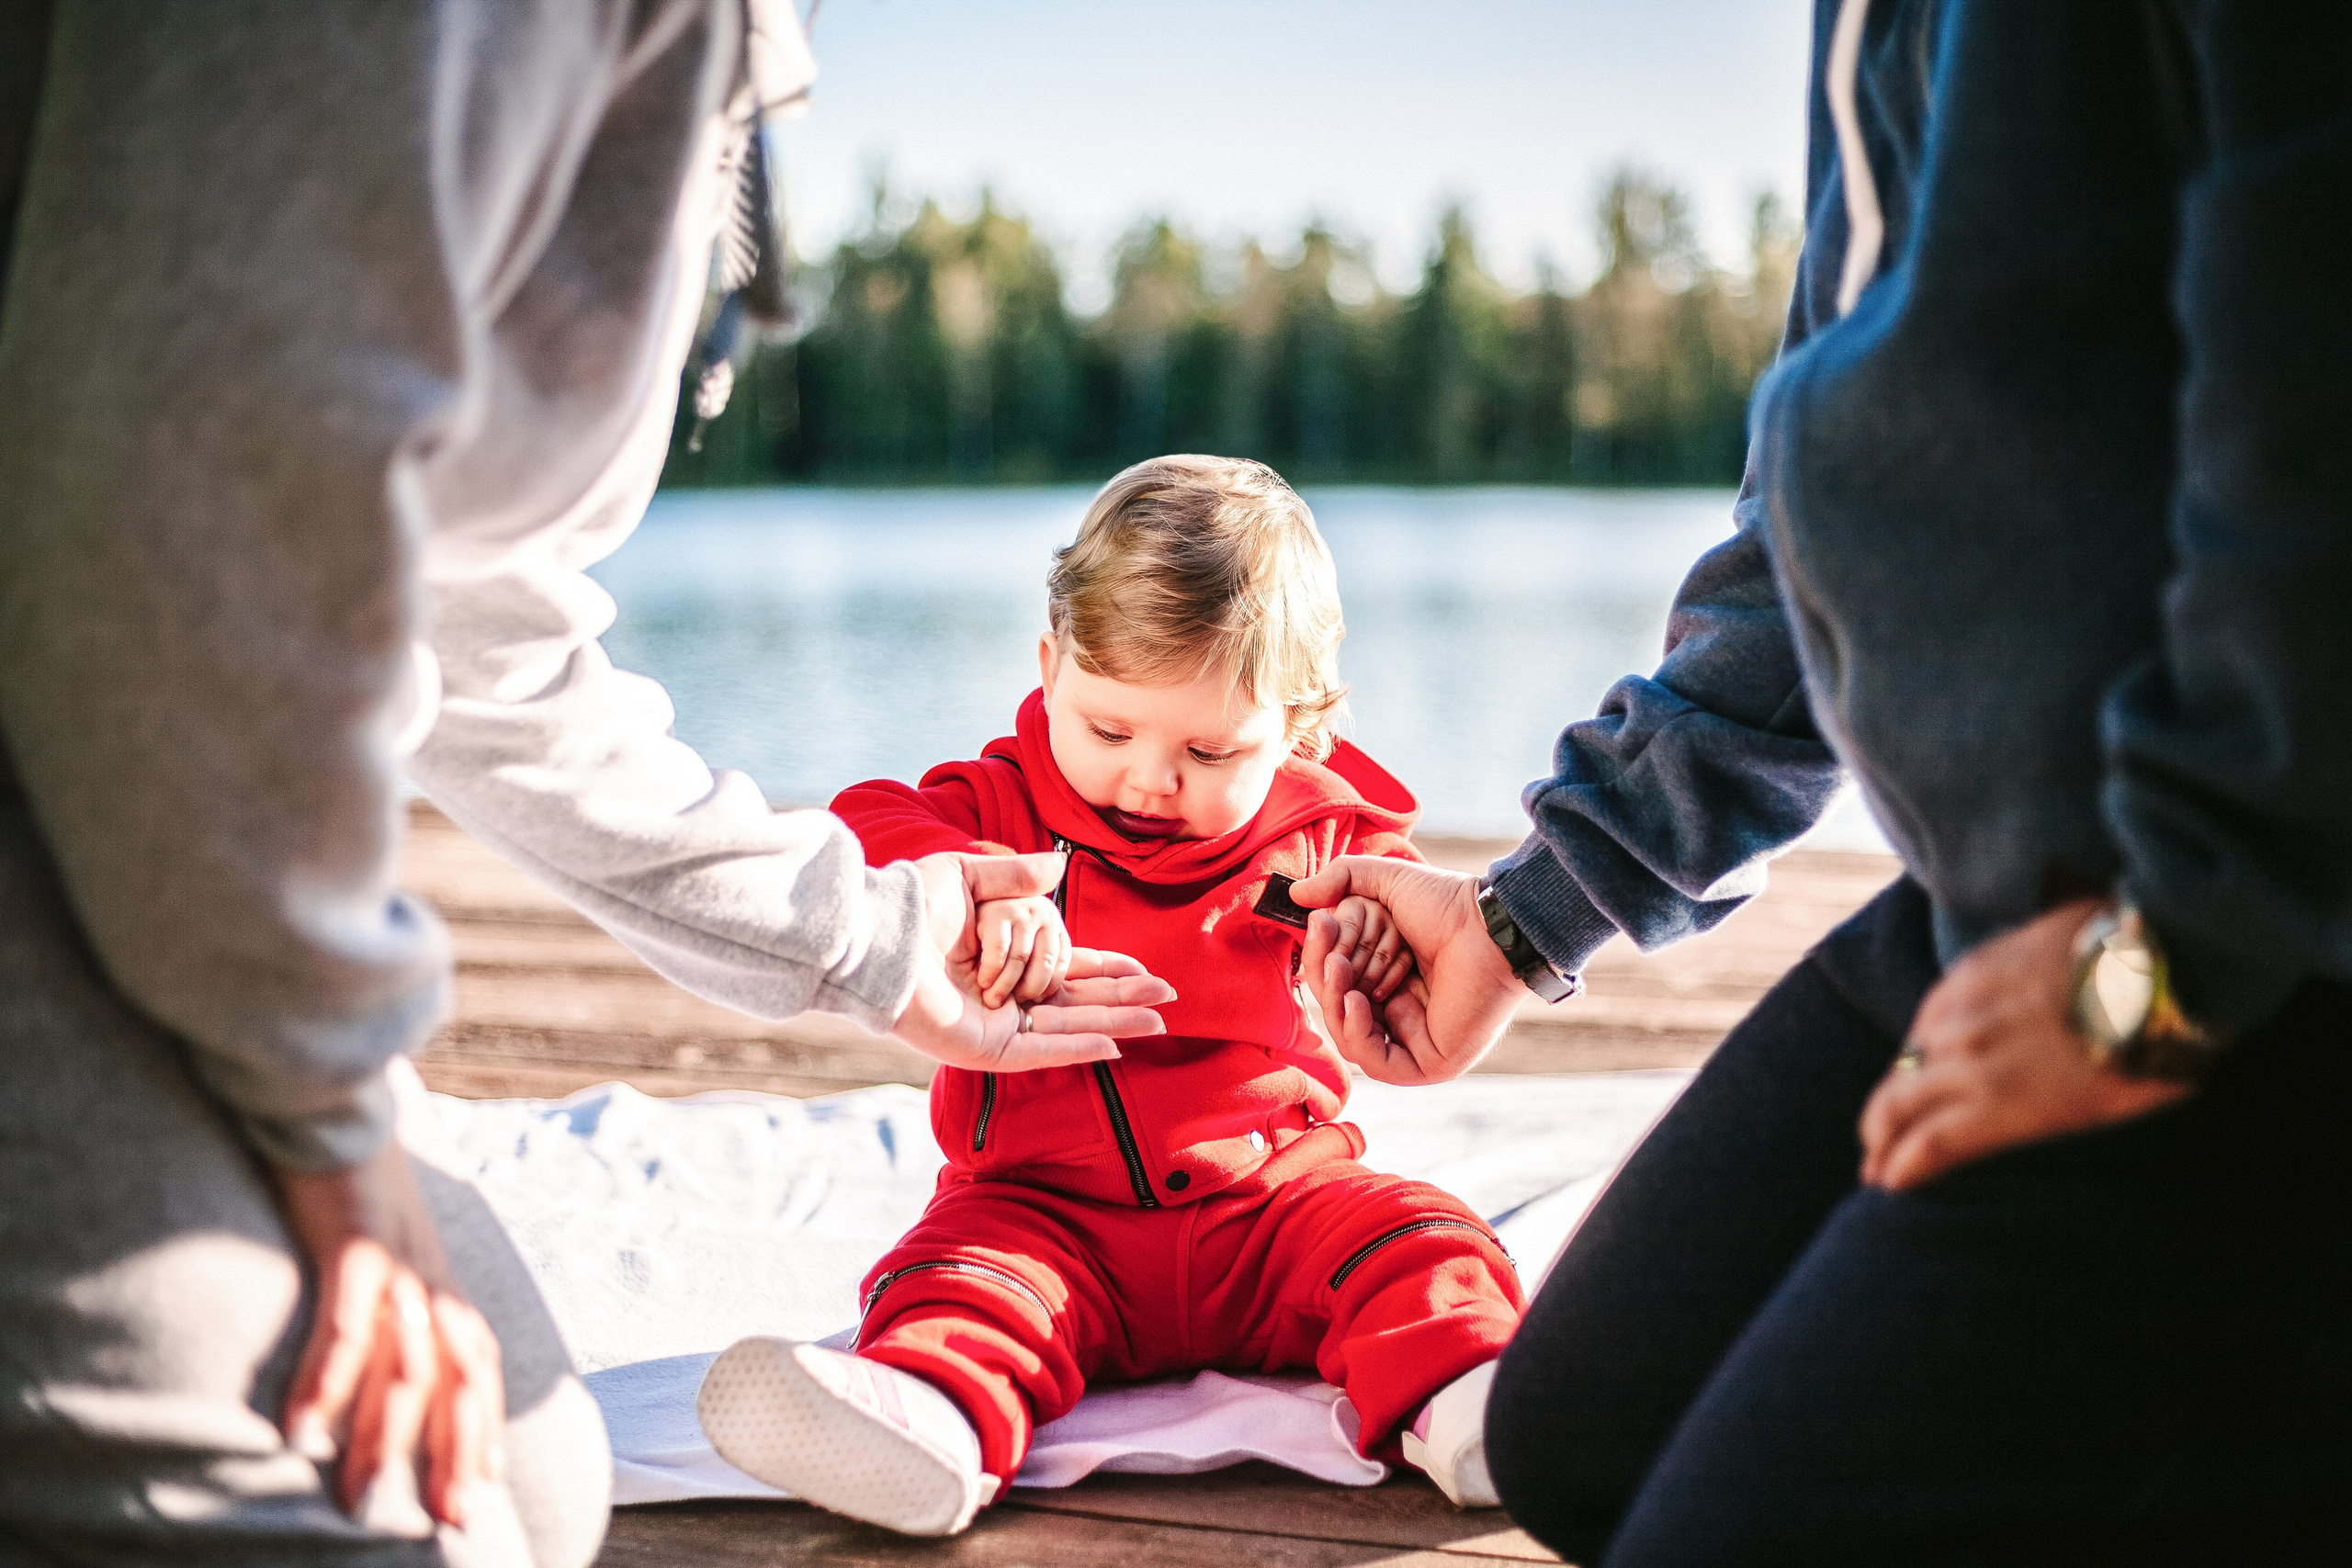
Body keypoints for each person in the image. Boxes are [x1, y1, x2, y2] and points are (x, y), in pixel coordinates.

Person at [0, 4, 1167, 1564]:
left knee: (530, 1481)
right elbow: (186, 531)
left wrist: (868, 934)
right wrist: (328, 1118)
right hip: (78, 750)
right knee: (385, 1520)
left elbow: (470, 619)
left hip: (138, 802)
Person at [1286, 5, 2352, 1565]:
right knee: (1582, 1439)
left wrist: (2171, 967)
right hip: (2001, 903)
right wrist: (1532, 912)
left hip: (2248, 958)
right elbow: (1847, 500)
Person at [694, 457, 1526, 1536]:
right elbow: (864, 826)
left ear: (1303, 725)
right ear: (1051, 666)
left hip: (1270, 1207)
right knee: (954, 1283)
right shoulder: (993, 806)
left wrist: (1371, 943)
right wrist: (962, 894)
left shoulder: (1327, 834)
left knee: (1417, 1242)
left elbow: (1405, 916)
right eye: (1108, 729)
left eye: (1208, 749)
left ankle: (1475, 1410)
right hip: (1042, 1214)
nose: (1147, 778)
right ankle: (929, 1421)